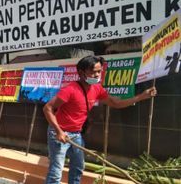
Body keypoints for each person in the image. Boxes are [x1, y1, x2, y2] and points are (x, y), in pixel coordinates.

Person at [43, 55, 157, 184]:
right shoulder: (69, 90)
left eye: (99, 71)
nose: (97, 75)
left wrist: (141, 97)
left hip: (75, 135)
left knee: (78, 167)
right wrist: (58, 131)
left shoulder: (97, 89)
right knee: (56, 171)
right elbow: (48, 108)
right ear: (81, 72)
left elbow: (115, 103)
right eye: (93, 72)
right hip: (58, 134)